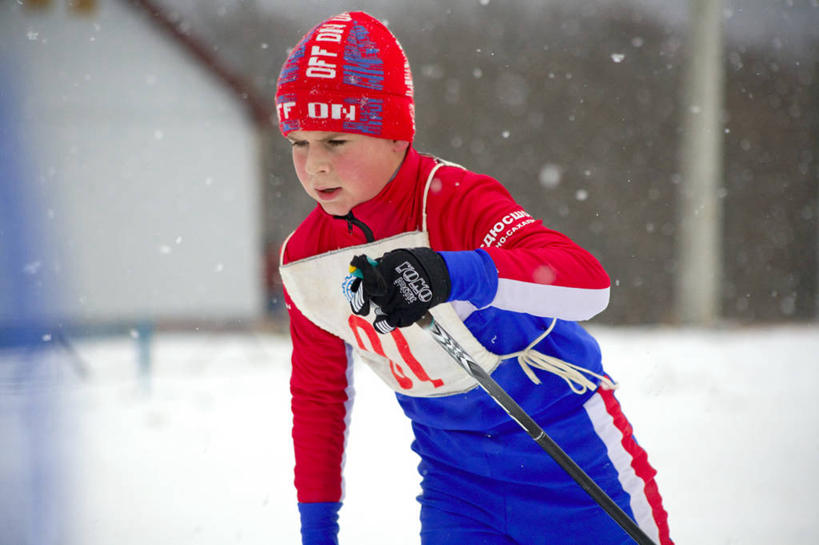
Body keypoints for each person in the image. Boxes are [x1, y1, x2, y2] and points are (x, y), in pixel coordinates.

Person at [276, 11, 673, 545]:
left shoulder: (454, 200)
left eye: (336, 141)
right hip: (457, 490)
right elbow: (319, 396)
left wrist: (453, 272)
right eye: (298, 142)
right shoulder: (307, 259)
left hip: (573, 466)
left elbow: (589, 285)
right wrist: (318, 531)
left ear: (395, 135)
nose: (314, 165)